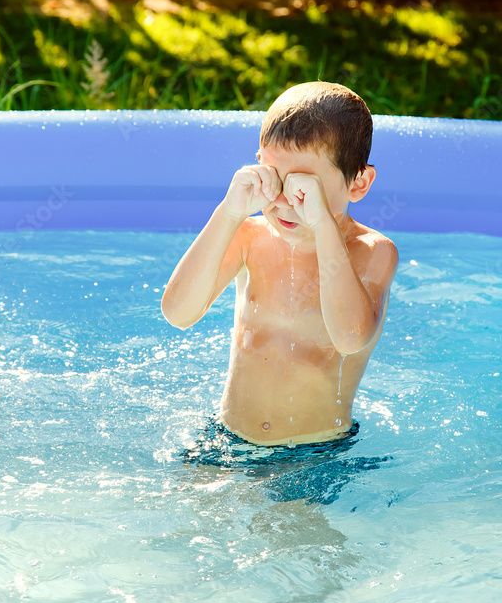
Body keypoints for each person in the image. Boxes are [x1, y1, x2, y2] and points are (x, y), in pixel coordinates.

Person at [161, 81, 398, 447]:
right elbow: (177, 313)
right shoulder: (249, 237)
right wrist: (228, 213)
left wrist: (321, 224)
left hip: (314, 452)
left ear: (358, 184)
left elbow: (351, 338)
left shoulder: (372, 252)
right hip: (227, 439)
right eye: (273, 177)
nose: (285, 202)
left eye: (305, 188)